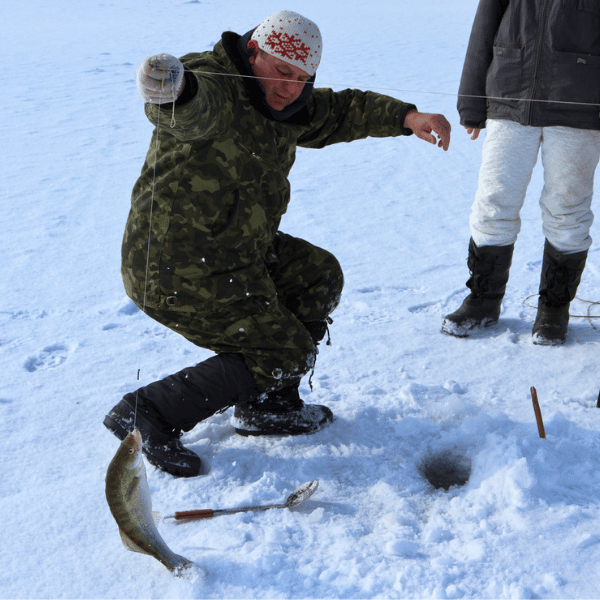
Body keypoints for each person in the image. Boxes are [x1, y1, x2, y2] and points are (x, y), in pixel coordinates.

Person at [104, 10, 451, 477]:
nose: (290, 87)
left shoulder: (287, 106)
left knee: (317, 275)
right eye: (282, 72)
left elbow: (341, 110)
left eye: (302, 79)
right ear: (252, 53)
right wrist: (174, 91)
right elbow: (191, 110)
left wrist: (408, 116)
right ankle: (149, 412)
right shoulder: (219, 86)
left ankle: (268, 405)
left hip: (236, 252)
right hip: (171, 265)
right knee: (285, 350)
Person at [441, 0, 600, 345]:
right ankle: (483, 301)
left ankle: (553, 310)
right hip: (509, 96)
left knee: (568, 210)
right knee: (494, 201)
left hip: (579, 106)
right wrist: (471, 102)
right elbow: (484, 28)